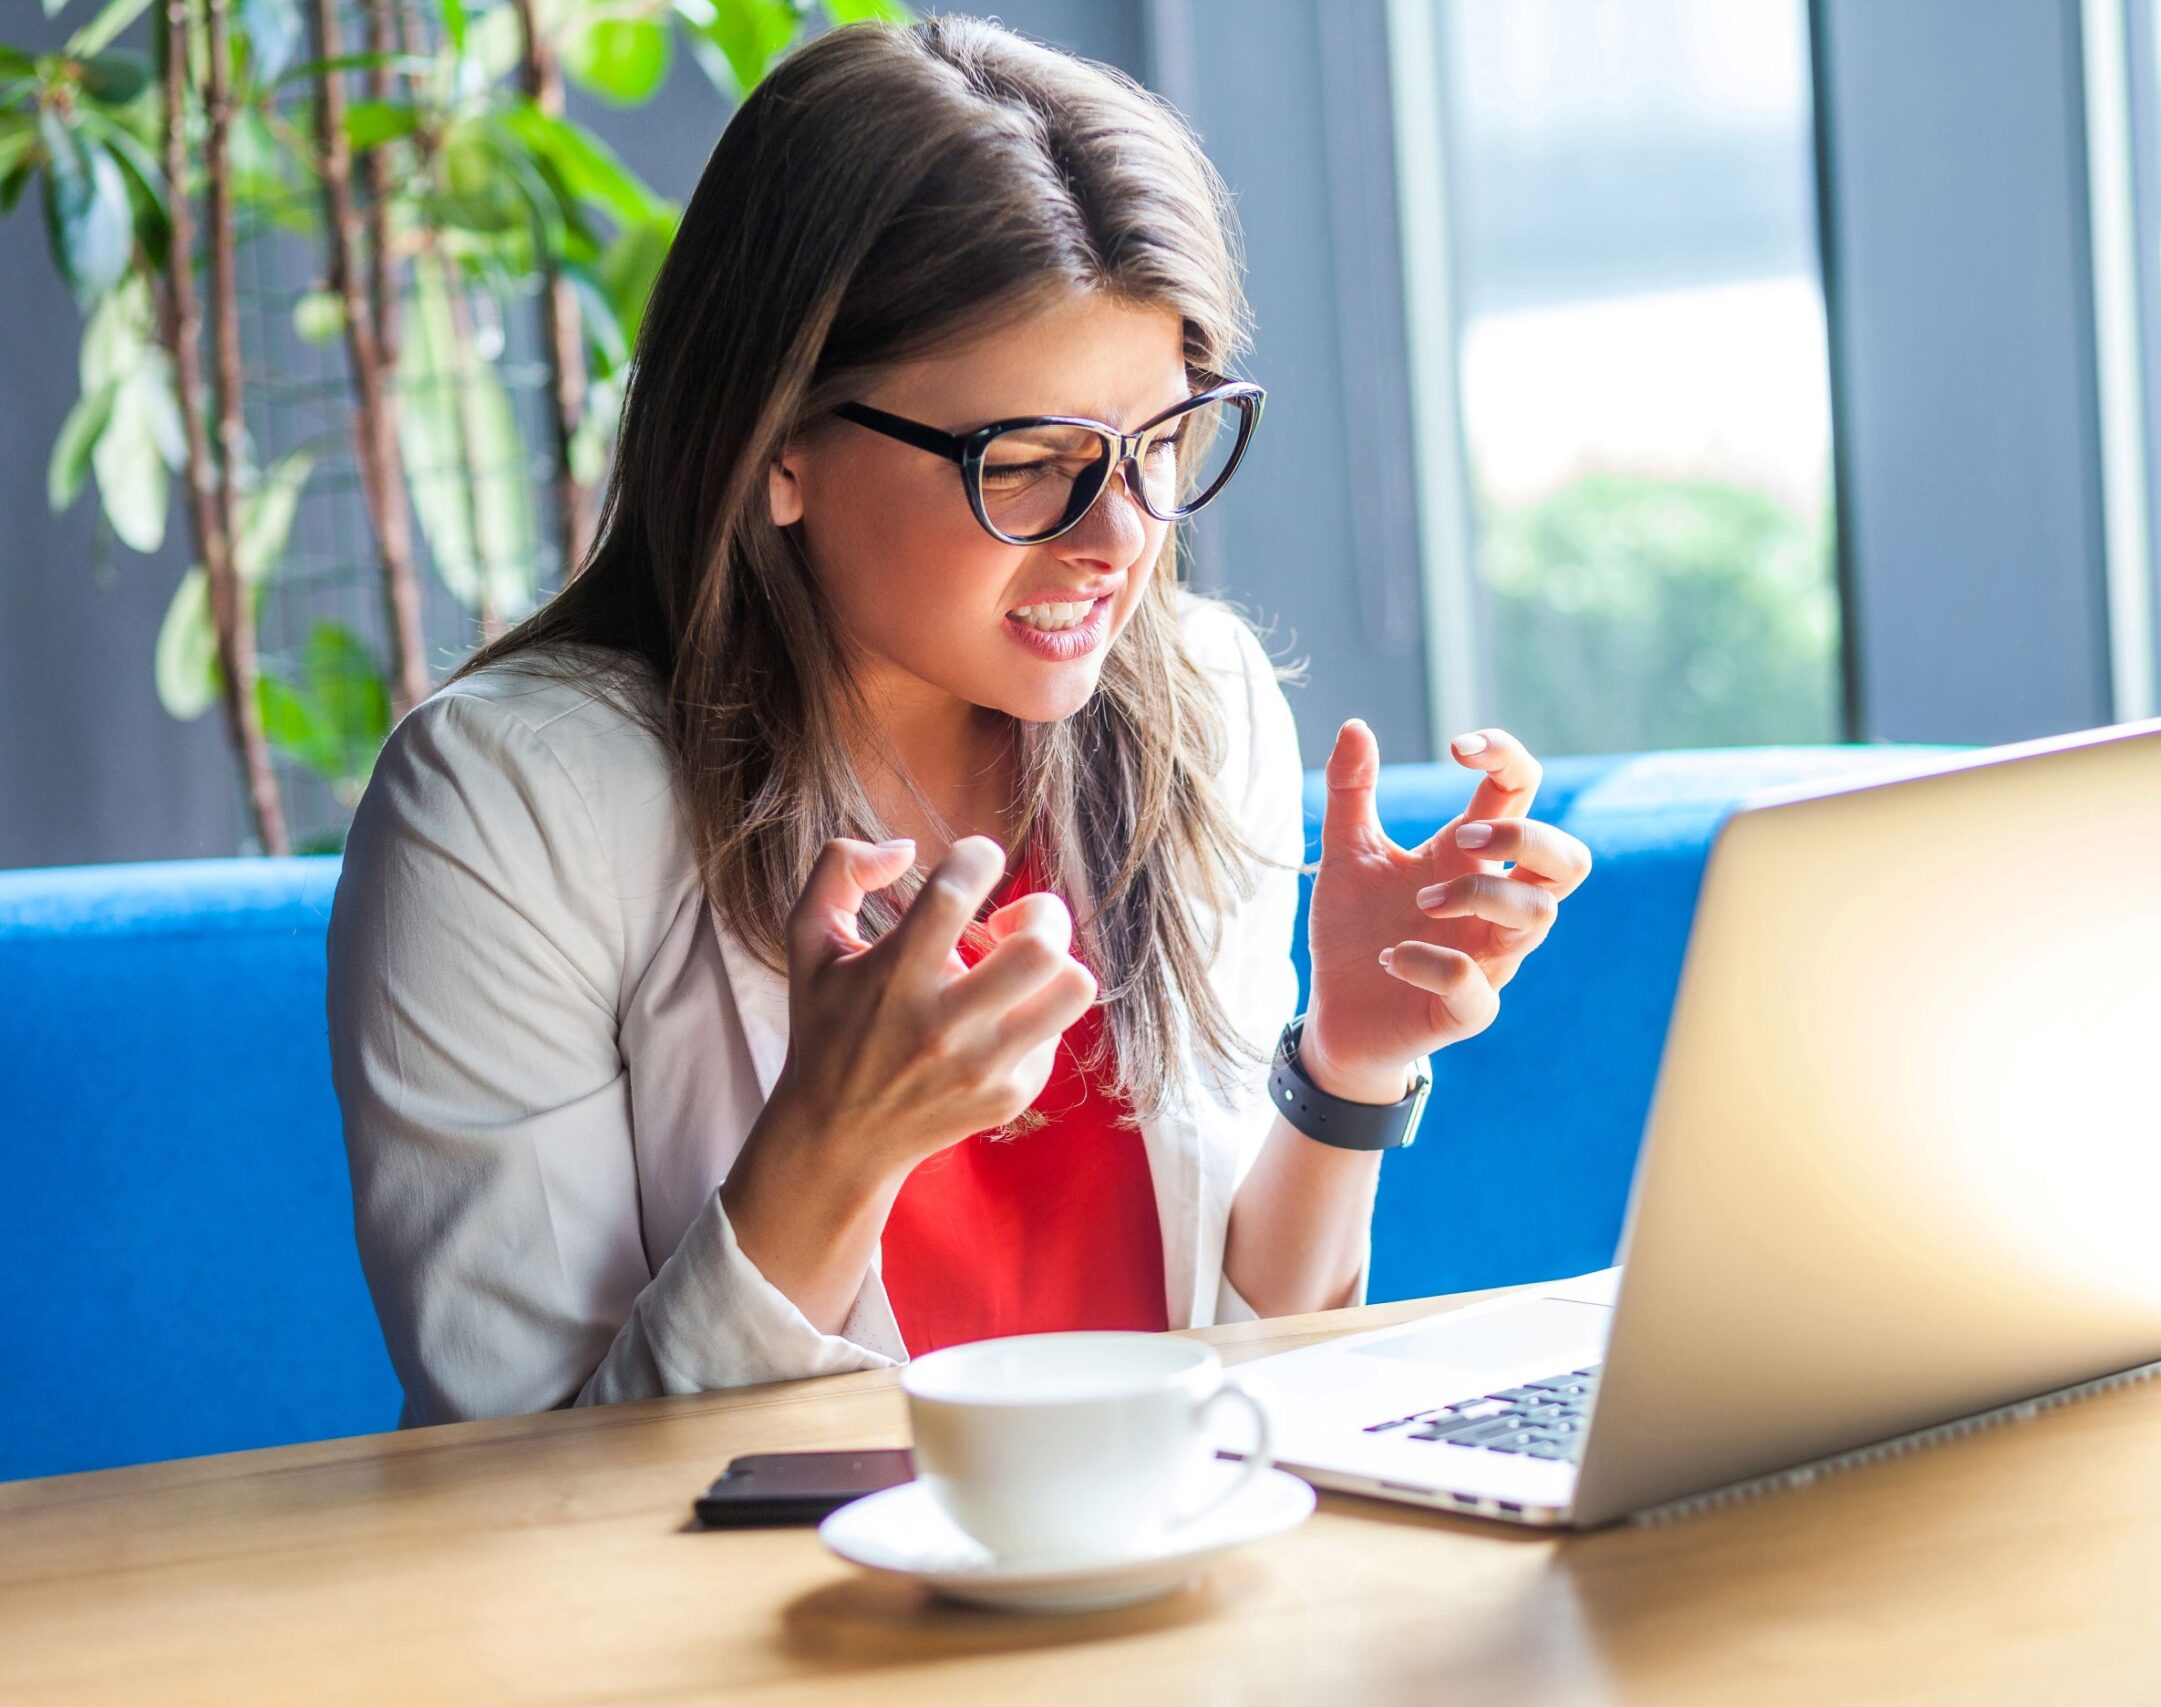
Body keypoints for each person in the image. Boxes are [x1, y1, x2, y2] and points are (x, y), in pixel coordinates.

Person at [326, 15, 1592, 1426]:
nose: (1121, 539)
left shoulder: (1200, 707)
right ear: (780, 444)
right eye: (1030, 461)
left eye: (1159, 445)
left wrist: (1351, 1058)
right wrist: (831, 1147)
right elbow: (526, 1485)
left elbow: (1249, 1370)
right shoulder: (505, 806)